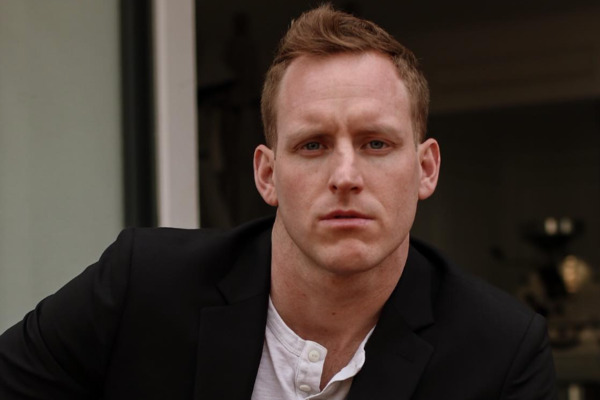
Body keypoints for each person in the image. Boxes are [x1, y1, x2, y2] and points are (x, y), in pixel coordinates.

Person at [0, 4, 556, 399]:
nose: (345, 176)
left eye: (376, 144)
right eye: (313, 145)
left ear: (425, 168)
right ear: (267, 175)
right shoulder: (142, 285)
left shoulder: (500, 351)